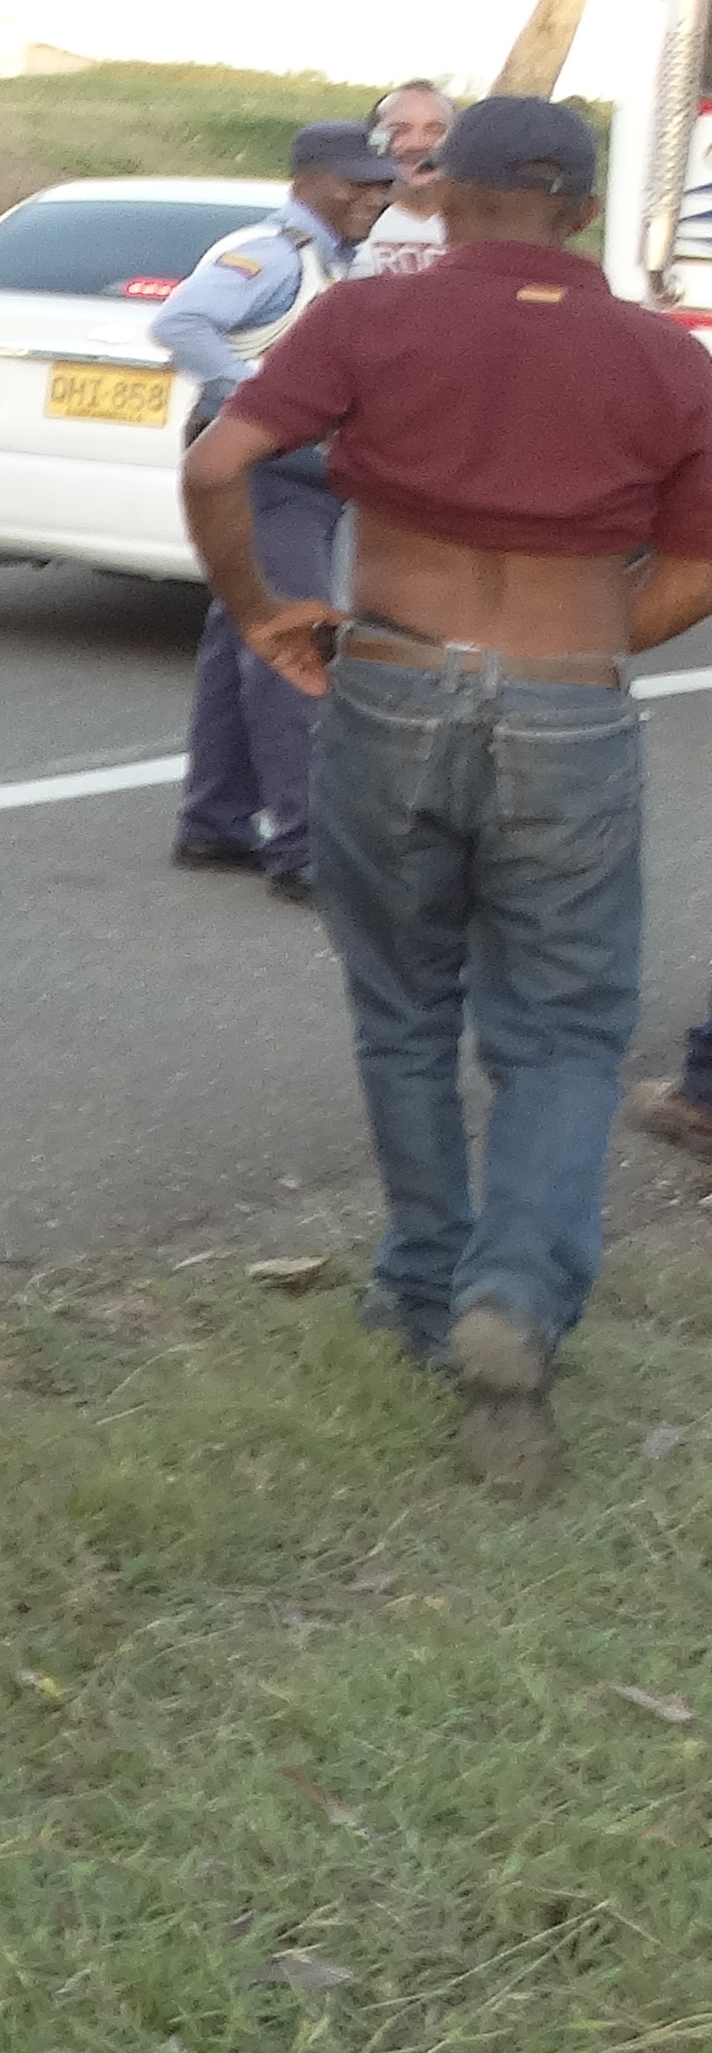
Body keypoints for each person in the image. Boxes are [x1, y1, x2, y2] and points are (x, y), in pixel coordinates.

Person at [186, 96, 712, 1493]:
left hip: (394, 681)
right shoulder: (669, 360)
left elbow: (218, 461)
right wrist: (583, 641)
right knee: (564, 1034)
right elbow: (699, 568)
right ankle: (516, 1306)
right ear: (586, 213)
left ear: (441, 196)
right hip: (566, 704)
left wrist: (261, 612)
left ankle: (424, 1282)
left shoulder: (369, 316)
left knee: (408, 1003)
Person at [150, 122, 396, 905]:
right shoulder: (274, 252)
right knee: (295, 644)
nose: (373, 196)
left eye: (382, 182)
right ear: (307, 180)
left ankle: (216, 821)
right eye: (355, 182)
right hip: (270, 470)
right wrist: (258, 398)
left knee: (243, 636)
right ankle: (305, 847)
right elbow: (180, 321)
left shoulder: (331, 260)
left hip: (287, 469)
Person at [350, 80, 456, 275]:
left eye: (435, 130)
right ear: (374, 140)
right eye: (399, 131)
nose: (417, 144)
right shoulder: (345, 224)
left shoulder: (487, 226)